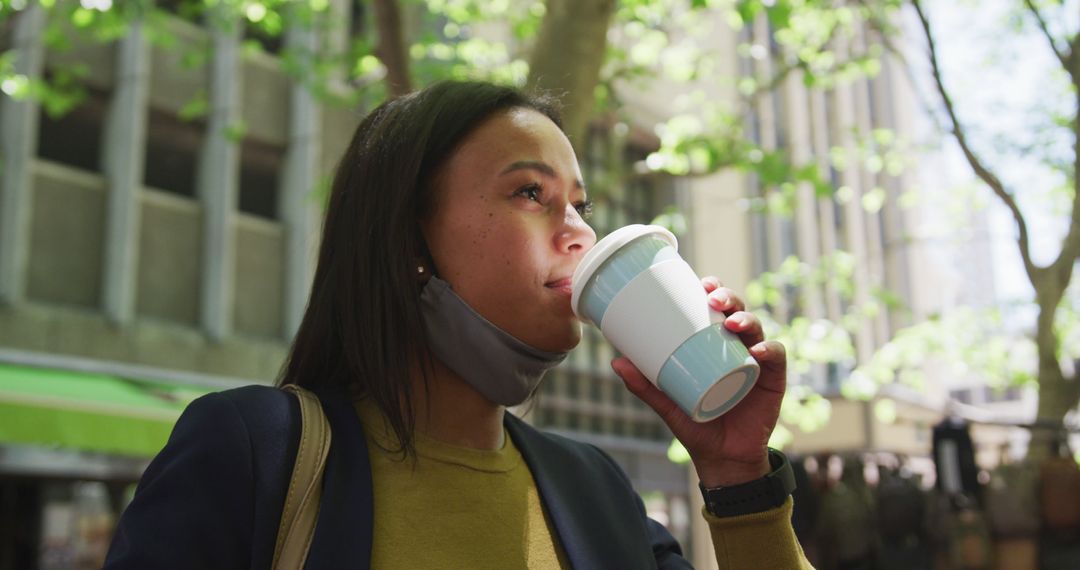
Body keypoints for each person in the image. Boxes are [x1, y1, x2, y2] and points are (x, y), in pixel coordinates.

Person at [103, 81, 811, 569]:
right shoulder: (252, 453)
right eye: (531, 192)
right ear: (409, 239)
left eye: (579, 204)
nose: (579, 234)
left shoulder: (594, 489)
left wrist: (736, 473)